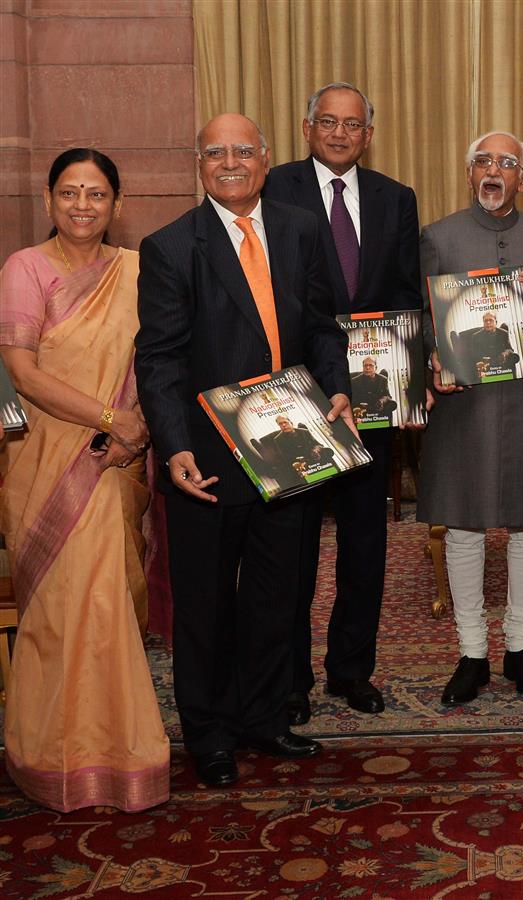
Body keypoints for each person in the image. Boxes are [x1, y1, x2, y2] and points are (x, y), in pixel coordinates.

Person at [135, 113, 351, 788]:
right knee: (204, 603)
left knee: (274, 595)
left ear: (265, 160)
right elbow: (161, 359)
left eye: (242, 151)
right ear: (199, 165)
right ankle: (208, 732)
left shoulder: (300, 227)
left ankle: (261, 717)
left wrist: (339, 390)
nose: (229, 161)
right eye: (214, 152)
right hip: (205, 461)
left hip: (289, 448)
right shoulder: (171, 246)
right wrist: (172, 446)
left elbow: (321, 325)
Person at [0, 149, 168, 811]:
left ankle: (120, 751)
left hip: (117, 462)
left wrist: (138, 429)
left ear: (116, 205)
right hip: (47, 458)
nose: (82, 206)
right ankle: (48, 753)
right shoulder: (24, 268)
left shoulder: (135, 270)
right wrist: (113, 420)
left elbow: (158, 359)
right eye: (69, 193)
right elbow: (24, 370)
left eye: (97, 195)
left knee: (109, 605)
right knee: (58, 611)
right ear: (48, 200)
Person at [262, 82, 421, 724]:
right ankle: (292, 678)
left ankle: (352, 670)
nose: (338, 133)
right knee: (294, 546)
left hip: (373, 398)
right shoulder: (271, 188)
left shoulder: (396, 199)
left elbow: (407, 294)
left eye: (351, 125)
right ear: (306, 128)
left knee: (365, 541)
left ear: (368, 134)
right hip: (296, 395)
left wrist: (410, 373)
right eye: (327, 121)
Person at [420, 131, 523, 705]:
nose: (493, 170)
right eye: (483, 159)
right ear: (468, 170)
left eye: (507, 163)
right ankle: (472, 653)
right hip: (465, 402)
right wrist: (432, 352)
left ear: (522, 179)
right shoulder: (437, 236)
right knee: (463, 523)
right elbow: (422, 315)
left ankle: (521, 650)